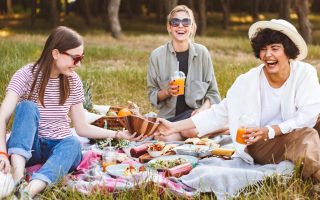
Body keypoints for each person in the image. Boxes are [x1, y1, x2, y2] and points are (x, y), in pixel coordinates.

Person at [155, 19, 320, 181]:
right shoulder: (247, 81)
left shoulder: (304, 73)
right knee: (307, 136)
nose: (268, 54)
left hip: (289, 131)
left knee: (313, 126)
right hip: (260, 143)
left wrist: (272, 129)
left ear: (289, 51)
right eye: (263, 49)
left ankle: (309, 161)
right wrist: (173, 126)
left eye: (275, 48)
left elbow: (309, 115)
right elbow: (218, 113)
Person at [0, 26, 143, 198]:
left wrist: (119, 134)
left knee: (73, 144)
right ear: (55, 54)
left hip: (59, 146)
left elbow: (81, 127)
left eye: (81, 58)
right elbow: (3, 117)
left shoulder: (73, 81)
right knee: (27, 107)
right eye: (75, 58)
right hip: (29, 148)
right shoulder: (26, 74)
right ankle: (17, 177)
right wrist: (2, 153)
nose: (79, 64)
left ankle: (27, 192)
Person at [147, 5, 221, 141]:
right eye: (175, 22)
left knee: (190, 130)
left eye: (186, 22)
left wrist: (202, 110)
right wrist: (167, 92)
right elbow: (152, 94)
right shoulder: (157, 56)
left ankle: (224, 128)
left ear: (192, 27)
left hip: (195, 117)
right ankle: (208, 131)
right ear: (169, 27)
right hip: (170, 118)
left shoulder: (202, 53)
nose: (180, 26)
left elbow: (213, 93)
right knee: (162, 139)